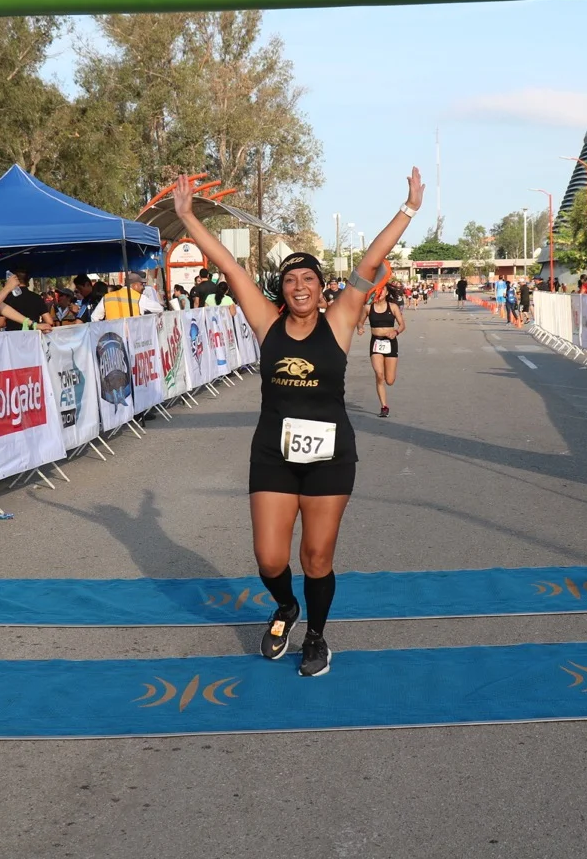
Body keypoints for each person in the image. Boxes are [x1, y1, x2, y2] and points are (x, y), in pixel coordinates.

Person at [171, 165, 424, 677]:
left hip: (331, 456)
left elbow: (371, 259)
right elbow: (228, 265)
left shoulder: (341, 318)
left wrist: (409, 209)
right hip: (273, 454)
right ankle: (286, 607)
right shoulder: (266, 323)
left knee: (316, 557)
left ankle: (316, 637)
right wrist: (187, 217)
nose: (299, 286)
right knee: (269, 559)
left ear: (322, 287)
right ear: (281, 289)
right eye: (290, 280)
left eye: (308, 278)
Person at [357, 284, 404, 417]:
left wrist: (396, 332)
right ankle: (384, 406)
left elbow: (402, 324)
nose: (380, 292)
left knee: (390, 380)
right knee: (379, 374)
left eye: (382, 290)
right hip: (376, 342)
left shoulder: (393, 307)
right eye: (378, 290)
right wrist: (360, 328)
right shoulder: (368, 307)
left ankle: (388, 377)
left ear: (387, 292)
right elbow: (360, 322)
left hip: (390, 342)